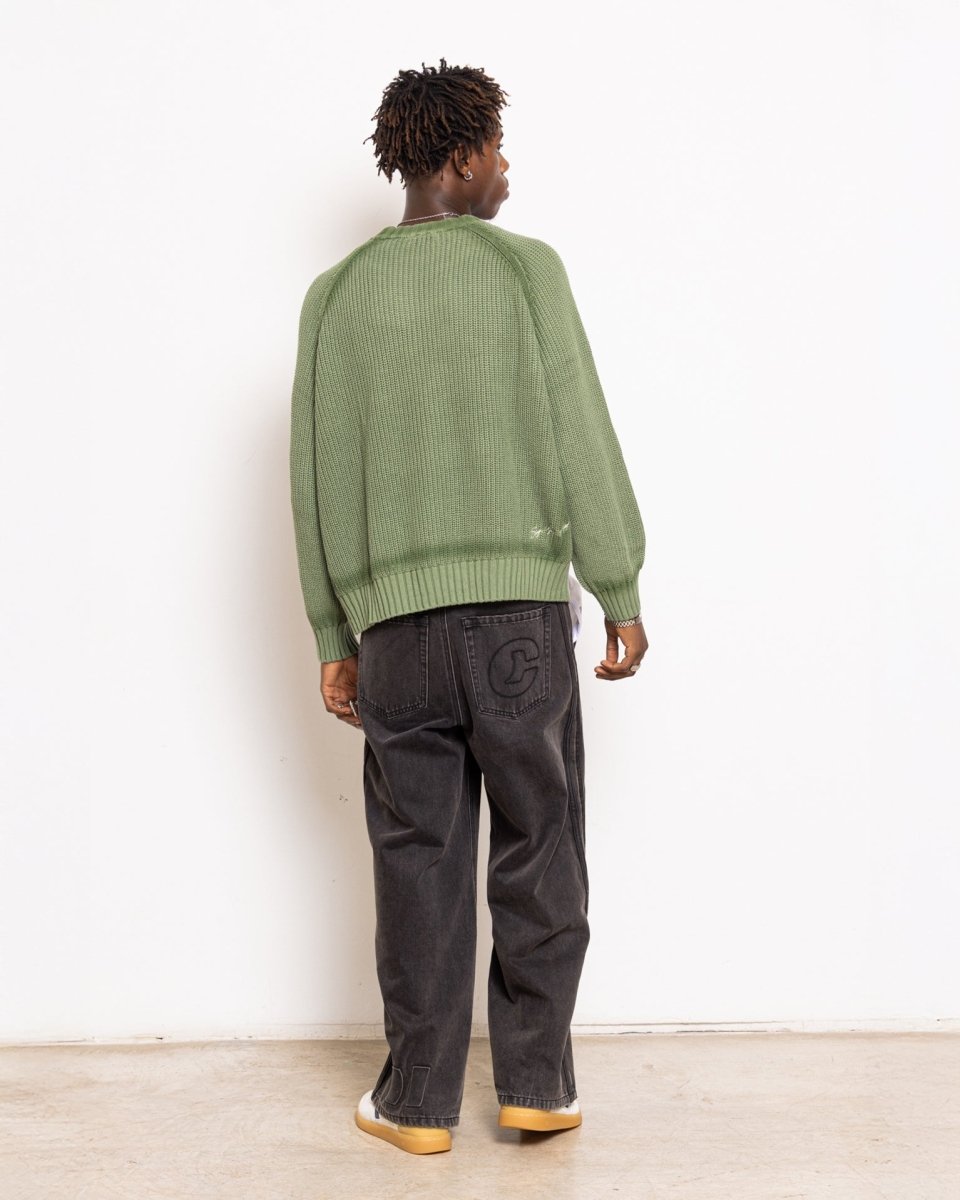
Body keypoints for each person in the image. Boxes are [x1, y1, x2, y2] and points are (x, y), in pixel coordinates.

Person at [288, 58, 649, 1155]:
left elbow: (316, 476)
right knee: (540, 847)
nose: (505, 167)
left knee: (418, 860)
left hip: (396, 633)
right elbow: (580, 427)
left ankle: (416, 1105)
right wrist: (620, 581)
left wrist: (333, 632)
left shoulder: (335, 297)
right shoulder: (526, 270)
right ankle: (536, 1085)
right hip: (518, 628)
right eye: (495, 148)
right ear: (458, 155)